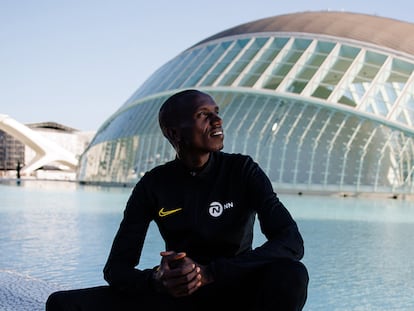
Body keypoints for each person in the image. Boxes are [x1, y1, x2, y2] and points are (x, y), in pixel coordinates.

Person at [46, 89, 309, 310]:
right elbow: (116, 269)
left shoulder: (242, 170)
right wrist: (157, 280)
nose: (217, 120)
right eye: (203, 115)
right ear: (174, 134)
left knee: (292, 275)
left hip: (236, 288)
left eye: (216, 112)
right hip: (178, 296)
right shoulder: (153, 184)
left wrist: (209, 274)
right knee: (61, 304)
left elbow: (291, 242)